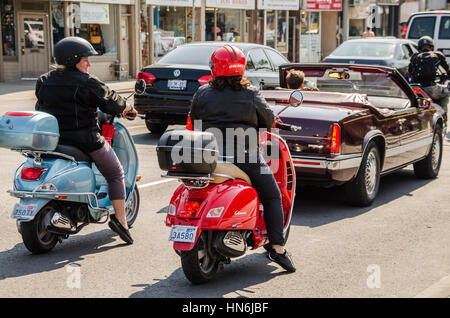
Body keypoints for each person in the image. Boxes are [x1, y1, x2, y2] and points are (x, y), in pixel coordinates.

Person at [189, 44, 296, 273]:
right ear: (242, 69)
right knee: (272, 195)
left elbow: (194, 121)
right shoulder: (250, 93)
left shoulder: (202, 93)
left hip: (209, 158)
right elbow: (268, 120)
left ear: (214, 68)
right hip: (244, 157)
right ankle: (277, 247)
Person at [35, 37, 138, 244]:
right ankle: (121, 221)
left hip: (53, 140)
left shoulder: (45, 81)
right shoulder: (87, 82)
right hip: (85, 140)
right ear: (74, 60)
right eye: (85, 59)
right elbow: (111, 100)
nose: (89, 64)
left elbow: (40, 106)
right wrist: (127, 108)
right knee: (116, 173)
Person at [408, 36, 450, 112]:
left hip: (417, 89)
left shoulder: (414, 56)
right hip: (431, 88)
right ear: (432, 47)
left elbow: (409, 72)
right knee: (446, 93)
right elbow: (447, 69)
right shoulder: (437, 55)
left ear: (419, 48)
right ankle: (443, 113)